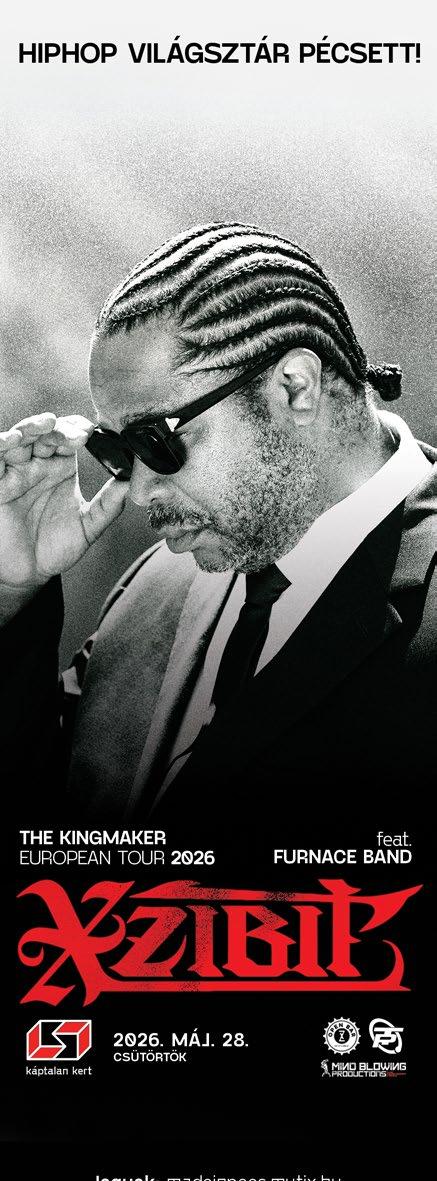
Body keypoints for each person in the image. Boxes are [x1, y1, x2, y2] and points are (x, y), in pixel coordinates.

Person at [1, 221, 436, 848]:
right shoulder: (153, 587)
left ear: (295, 386)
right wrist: (11, 590)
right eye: (117, 450)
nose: (140, 490)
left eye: (157, 439)